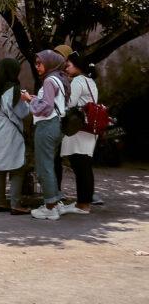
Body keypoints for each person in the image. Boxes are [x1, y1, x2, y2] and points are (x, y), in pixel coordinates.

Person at [21, 49, 69, 220]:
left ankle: (50, 207)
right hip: (55, 126)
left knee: (44, 167)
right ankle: (54, 203)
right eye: (36, 63)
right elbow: (51, 103)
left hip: (46, 127)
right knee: (48, 165)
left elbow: (46, 107)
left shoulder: (49, 81)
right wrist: (36, 98)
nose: (37, 66)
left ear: (49, 63)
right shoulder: (59, 79)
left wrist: (29, 99)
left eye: (40, 63)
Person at [0, 57, 31, 213]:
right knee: (17, 167)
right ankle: (16, 205)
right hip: (9, 134)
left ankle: (0, 202)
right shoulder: (13, 90)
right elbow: (22, 113)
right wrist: (26, 100)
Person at [59, 53, 98, 214]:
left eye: (68, 65)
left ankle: (83, 205)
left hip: (79, 129)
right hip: (89, 129)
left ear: (77, 65)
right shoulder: (90, 81)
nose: (66, 68)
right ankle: (83, 202)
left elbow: (69, 103)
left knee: (80, 166)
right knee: (84, 165)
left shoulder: (77, 81)